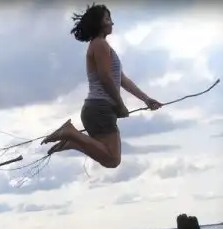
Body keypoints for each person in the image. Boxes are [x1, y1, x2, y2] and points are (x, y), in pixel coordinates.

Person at [41, 4, 163, 168]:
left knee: (110, 158)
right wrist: (120, 105)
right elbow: (105, 78)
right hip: (100, 109)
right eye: (107, 19)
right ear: (97, 22)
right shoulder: (99, 44)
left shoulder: (102, 46)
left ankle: (73, 141)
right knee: (113, 159)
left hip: (99, 109)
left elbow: (122, 79)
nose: (111, 23)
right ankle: (71, 133)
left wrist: (146, 99)